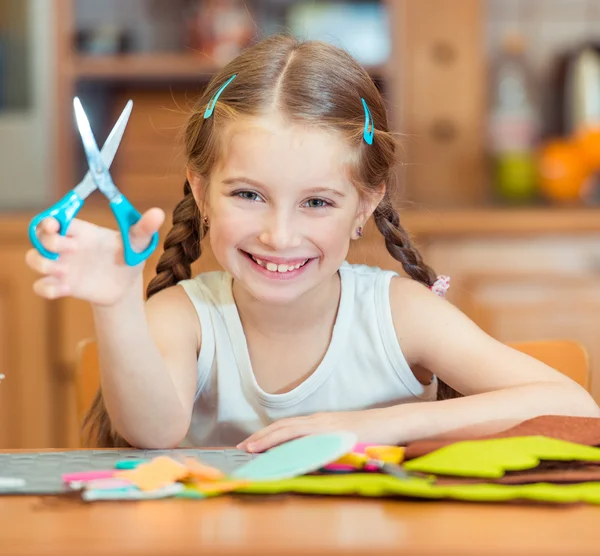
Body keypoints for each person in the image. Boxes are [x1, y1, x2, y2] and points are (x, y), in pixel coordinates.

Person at [26, 35, 599, 451]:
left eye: (317, 202)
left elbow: (573, 406)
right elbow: (154, 432)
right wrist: (118, 300)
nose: (279, 235)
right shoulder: (186, 316)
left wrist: (377, 426)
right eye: (248, 195)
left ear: (365, 206)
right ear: (201, 193)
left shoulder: (398, 315)